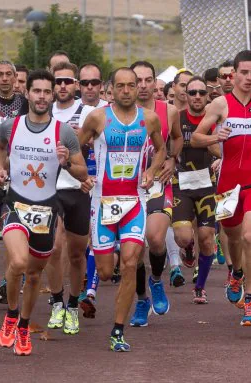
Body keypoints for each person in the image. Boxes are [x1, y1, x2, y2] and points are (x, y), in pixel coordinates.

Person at [0, 69, 88, 355]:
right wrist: (0, 169)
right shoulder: (12, 126)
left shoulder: (64, 131)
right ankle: (11, 314)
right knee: (19, 262)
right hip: (15, 204)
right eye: (38, 91)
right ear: (28, 93)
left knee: (34, 276)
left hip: (47, 210)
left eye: (47, 92)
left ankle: (23, 325)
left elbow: (83, 171)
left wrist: (67, 163)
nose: (43, 96)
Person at [191, 50, 251, 327]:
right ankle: (237, 273)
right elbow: (195, 138)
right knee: (232, 235)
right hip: (228, 182)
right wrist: (213, 136)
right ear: (234, 74)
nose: (249, 78)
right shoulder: (220, 104)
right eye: (244, 72)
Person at [79, 67, 166, 351]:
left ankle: (118, 330)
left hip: (134, 201)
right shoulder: (97, 118)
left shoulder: (149, 119)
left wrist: (152, 170)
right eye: (121, 86)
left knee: (130, 262)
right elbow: (76, 147)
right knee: (106, 272)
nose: (127, 90)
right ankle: (103, 275)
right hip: (102, 202)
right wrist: (82, 176)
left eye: (132, 85)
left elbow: (162, 149)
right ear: (111, 89)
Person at [129, 61, 182, 327]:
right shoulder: (117, 113)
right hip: (127, 188)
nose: (142, 85)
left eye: (148, 80)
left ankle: (157, 280)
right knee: (135, 250)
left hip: (158, 184)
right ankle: (141, 299)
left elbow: (178, 137)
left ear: (155, 83)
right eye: (137, 80)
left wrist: (173, 159)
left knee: (156, 238)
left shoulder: (169, 110)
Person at [46, 61, 95, 335]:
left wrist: (92, 177)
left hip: (78, 187)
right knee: (52, 248)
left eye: (68, 81)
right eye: (58, 81)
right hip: (49, 189)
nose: (62, 85)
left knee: (77, 254)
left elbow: (102, 146)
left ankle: (73, 305)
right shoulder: (42, 110)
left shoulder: (89, 112)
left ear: (76, 85)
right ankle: (55, 301)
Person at [171, 76, 218, 304]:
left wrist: (224, 158)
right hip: (181, 184)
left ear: (207, 95)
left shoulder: (214, 119)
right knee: (182, 236)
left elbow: (225, 148)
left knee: (207, 238)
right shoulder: (177, 119)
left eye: (201, 92)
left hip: (208, 184)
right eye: (192, 93)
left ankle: (200, 287)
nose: (197, 96)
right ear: (185, 95)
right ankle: (188, 247)